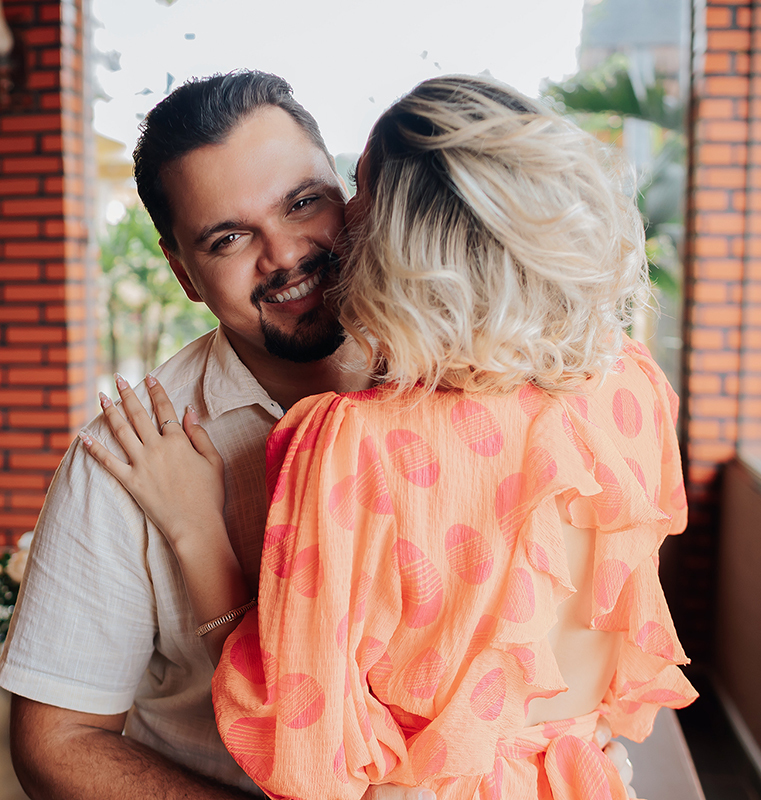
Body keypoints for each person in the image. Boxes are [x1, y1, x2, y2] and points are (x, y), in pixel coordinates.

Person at [82, 75, 694, 800]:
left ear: (405, 236)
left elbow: (298, 737)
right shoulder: (632, 384)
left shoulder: (355, 446)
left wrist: (195, 531)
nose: (341, 224)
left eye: (354, 191)